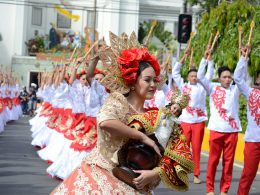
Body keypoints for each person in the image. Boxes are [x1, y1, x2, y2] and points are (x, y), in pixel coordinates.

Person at [51, 32, 193, 194]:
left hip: (135, 183)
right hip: (100, 176)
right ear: (133, 81)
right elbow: (105, 122)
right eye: (147, 80)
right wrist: (141, 136)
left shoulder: (155, 115)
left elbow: (172, 154)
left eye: (155, 80)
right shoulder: (118, 101)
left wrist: (153, 174)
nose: (153, 84)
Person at [197, 48, 244, 195]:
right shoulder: (212, 88)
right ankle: (210, 189)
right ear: (218, 78)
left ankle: (224, 190)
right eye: (224, 77)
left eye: (229, 77)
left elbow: (240, 77)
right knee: (213, 161)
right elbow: (199, 76)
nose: (228, 79)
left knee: (228, 163)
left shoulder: (235, 90)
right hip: (216, 130)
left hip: (232, 132)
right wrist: (206, 60)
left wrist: (243, 58)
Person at [172, 48, 214, 184]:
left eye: (196, 76)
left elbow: (209, 74)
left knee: (196, 149)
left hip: (199, 121)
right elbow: (175, 72)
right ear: (188, 77)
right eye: (192, 76)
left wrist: (209, 60)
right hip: (185, 121)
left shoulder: (203, 87)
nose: (194, 78)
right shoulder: (183, 86)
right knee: (183, 148)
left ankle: (196, 175)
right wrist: (183, 58)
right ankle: (181, 173)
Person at [234, 46, 260, 195]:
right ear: (257, 78)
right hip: (253, 141)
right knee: (248, 175)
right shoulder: (251, 93)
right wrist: (244, 58)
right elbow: (237, 78)